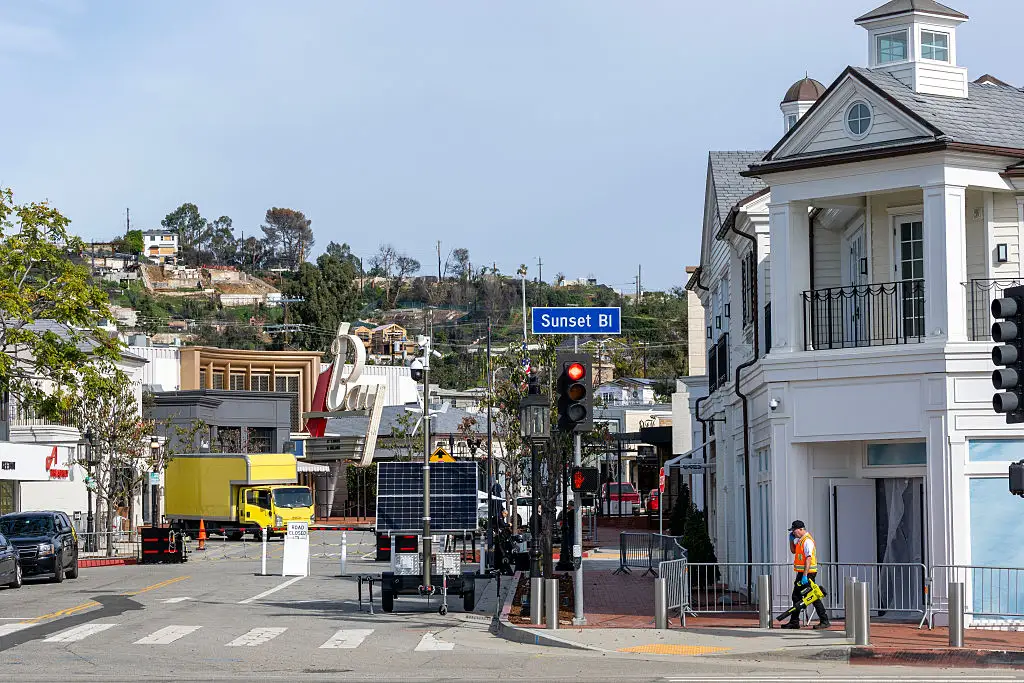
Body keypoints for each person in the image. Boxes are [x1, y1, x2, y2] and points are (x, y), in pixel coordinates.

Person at [782, 520, 830, 630]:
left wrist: (804, 576)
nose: (793, 532)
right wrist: (791, 540)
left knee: (813, 596)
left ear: (801, 529)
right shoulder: (800, 540)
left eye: (794, 530)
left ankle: (824, 620)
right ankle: (794, 622)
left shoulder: (807, 541)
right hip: (802, 573)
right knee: (797, 596)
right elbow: (793, 551)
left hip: (808, 573)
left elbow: (808, 558)